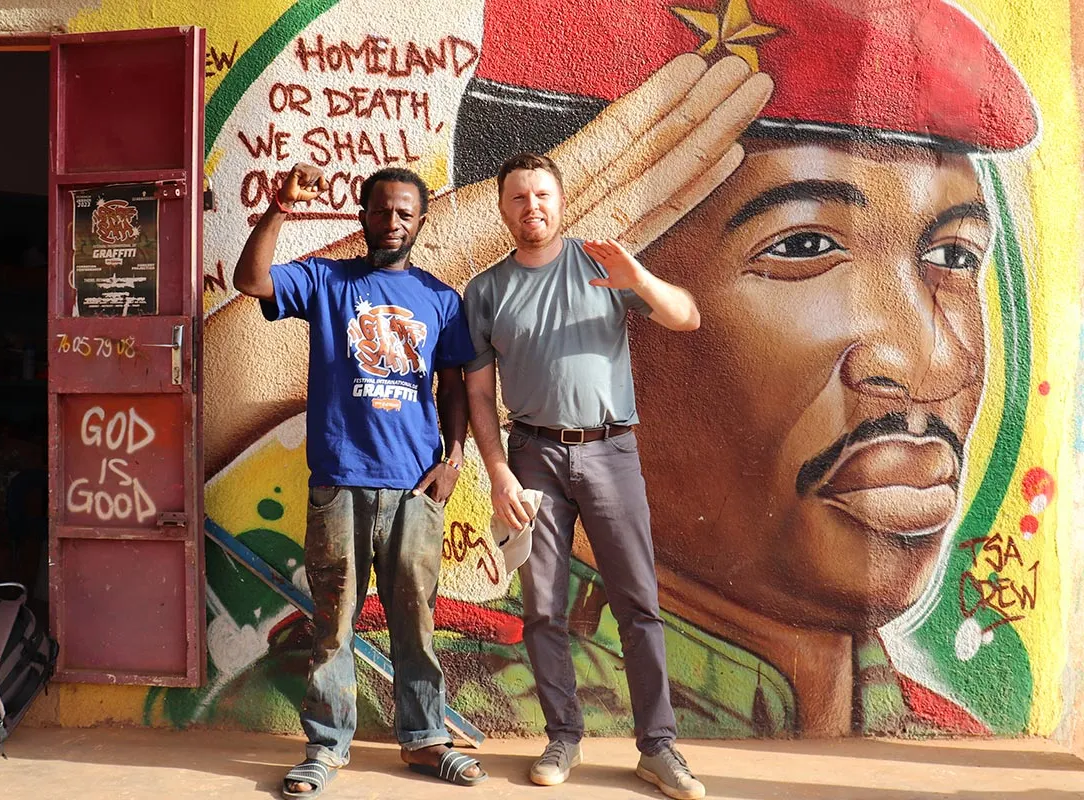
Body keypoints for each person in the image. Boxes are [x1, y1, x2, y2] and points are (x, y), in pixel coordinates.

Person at [450, 0, 1040, 738]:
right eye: (803, 247)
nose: (935, 360)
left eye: (953, 255)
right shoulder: (440, 708)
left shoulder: (944, 744)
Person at [232, 164, 486, 797]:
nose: (392, 222)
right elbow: (251, 280)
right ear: (363, 215)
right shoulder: (327, 281)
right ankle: (326, 747)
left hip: (415, 489)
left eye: (405, 213)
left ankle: (425, 739)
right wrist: (279, 209)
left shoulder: (441, 299)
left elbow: (453, 386)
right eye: (381, 210)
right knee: (334, 622)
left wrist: (455, 459)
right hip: (339, 484)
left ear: (420, 221)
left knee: (416, 622)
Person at [463, 151, 706, 799]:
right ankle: (563, 736)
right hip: (531, 457)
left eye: (542, 195)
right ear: (502, 208)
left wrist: (641, 280)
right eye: (518, 197)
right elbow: (479, 395)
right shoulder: (485, 292)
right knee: (543, 607)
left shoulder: (603, 266)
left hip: (610, 450)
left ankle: (658, 748)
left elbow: (687, 316)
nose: (531, 207)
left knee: (637, 602)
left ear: (561, 201)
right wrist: (497, 473)